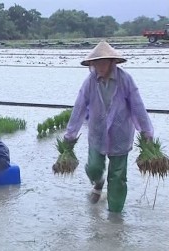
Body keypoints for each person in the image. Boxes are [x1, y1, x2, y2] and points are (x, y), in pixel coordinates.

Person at [63, 41, 154, 213]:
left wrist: (146, 132)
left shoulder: (125, 80)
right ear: (92, 64)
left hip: (121, 134)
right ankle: (98, 182)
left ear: (112, 62)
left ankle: (115, 217)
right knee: (94, 168)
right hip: (97, 134)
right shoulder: (90, 82)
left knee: (118, 176)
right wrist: (70, 134)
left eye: (104, 62)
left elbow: (138, 106)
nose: (100, 66)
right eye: (97, 62)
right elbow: (79, 107)